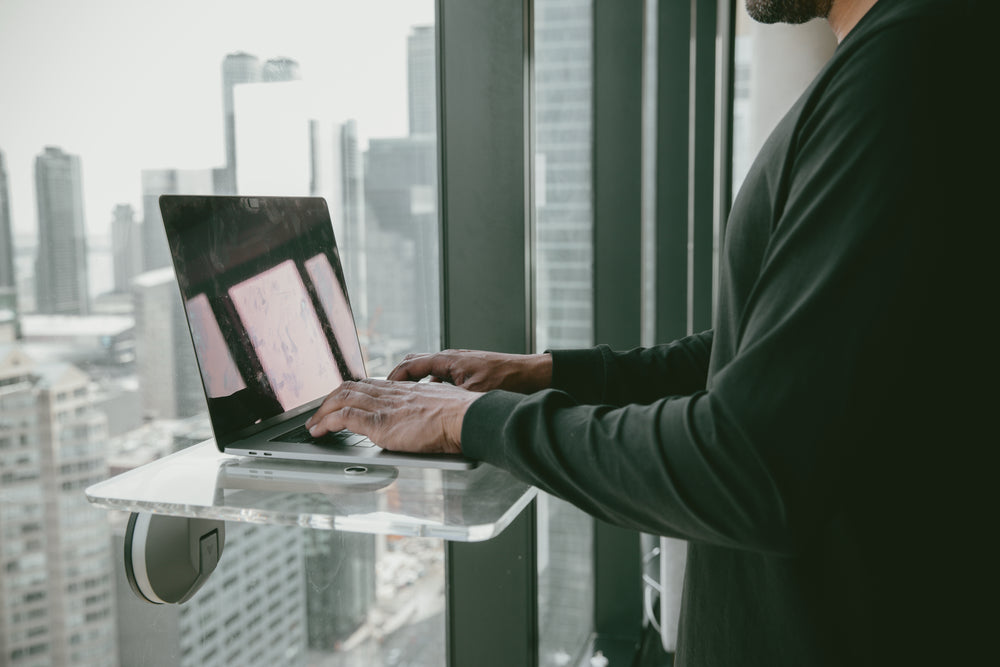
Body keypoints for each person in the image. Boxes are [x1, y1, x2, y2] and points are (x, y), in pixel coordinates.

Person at [307, 0, 994, 664]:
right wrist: (549, 372)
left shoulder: (909, 69)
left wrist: (477, 422)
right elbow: (766, 351)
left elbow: (753, 463)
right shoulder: (910, 53)